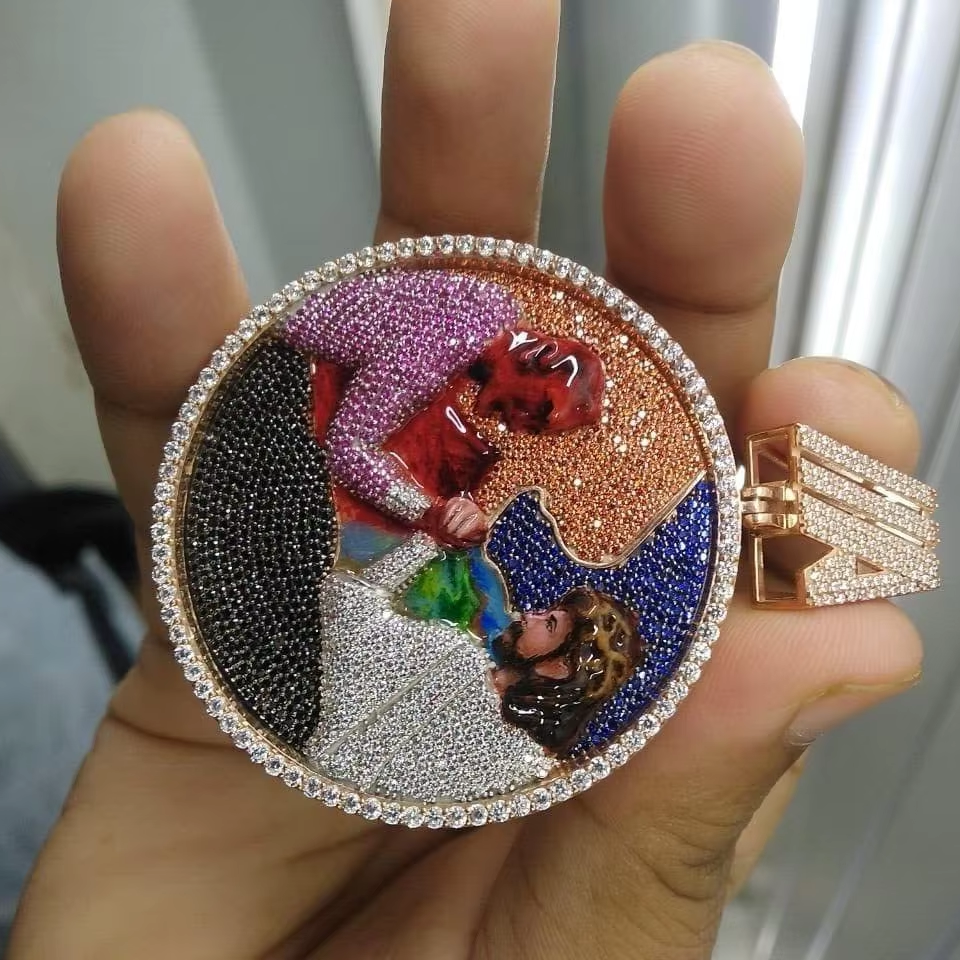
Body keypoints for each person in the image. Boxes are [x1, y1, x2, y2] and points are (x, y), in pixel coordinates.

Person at [9, 8, 926, 958]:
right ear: (531, 368)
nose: (514, 426)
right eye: (530, 414)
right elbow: (350, 452)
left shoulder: (476, 376)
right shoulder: (443, 351)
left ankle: (873, 535)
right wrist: (429, 520)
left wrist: (439, 530)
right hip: (284, 416)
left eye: (529, 425)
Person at [307, 534, 646, 802]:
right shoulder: (527, 770)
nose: (530, 615)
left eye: (549, 624)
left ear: (560, 668)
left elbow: (348, 600)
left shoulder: (453, 661)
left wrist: (429, 542)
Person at [281, 268, 605, 548]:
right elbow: (348, 448)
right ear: (539, 355)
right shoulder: (427, 359)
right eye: (538, 413)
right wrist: (428, 510)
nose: (519, 427)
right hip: (284, 367)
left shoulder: (500, 304)